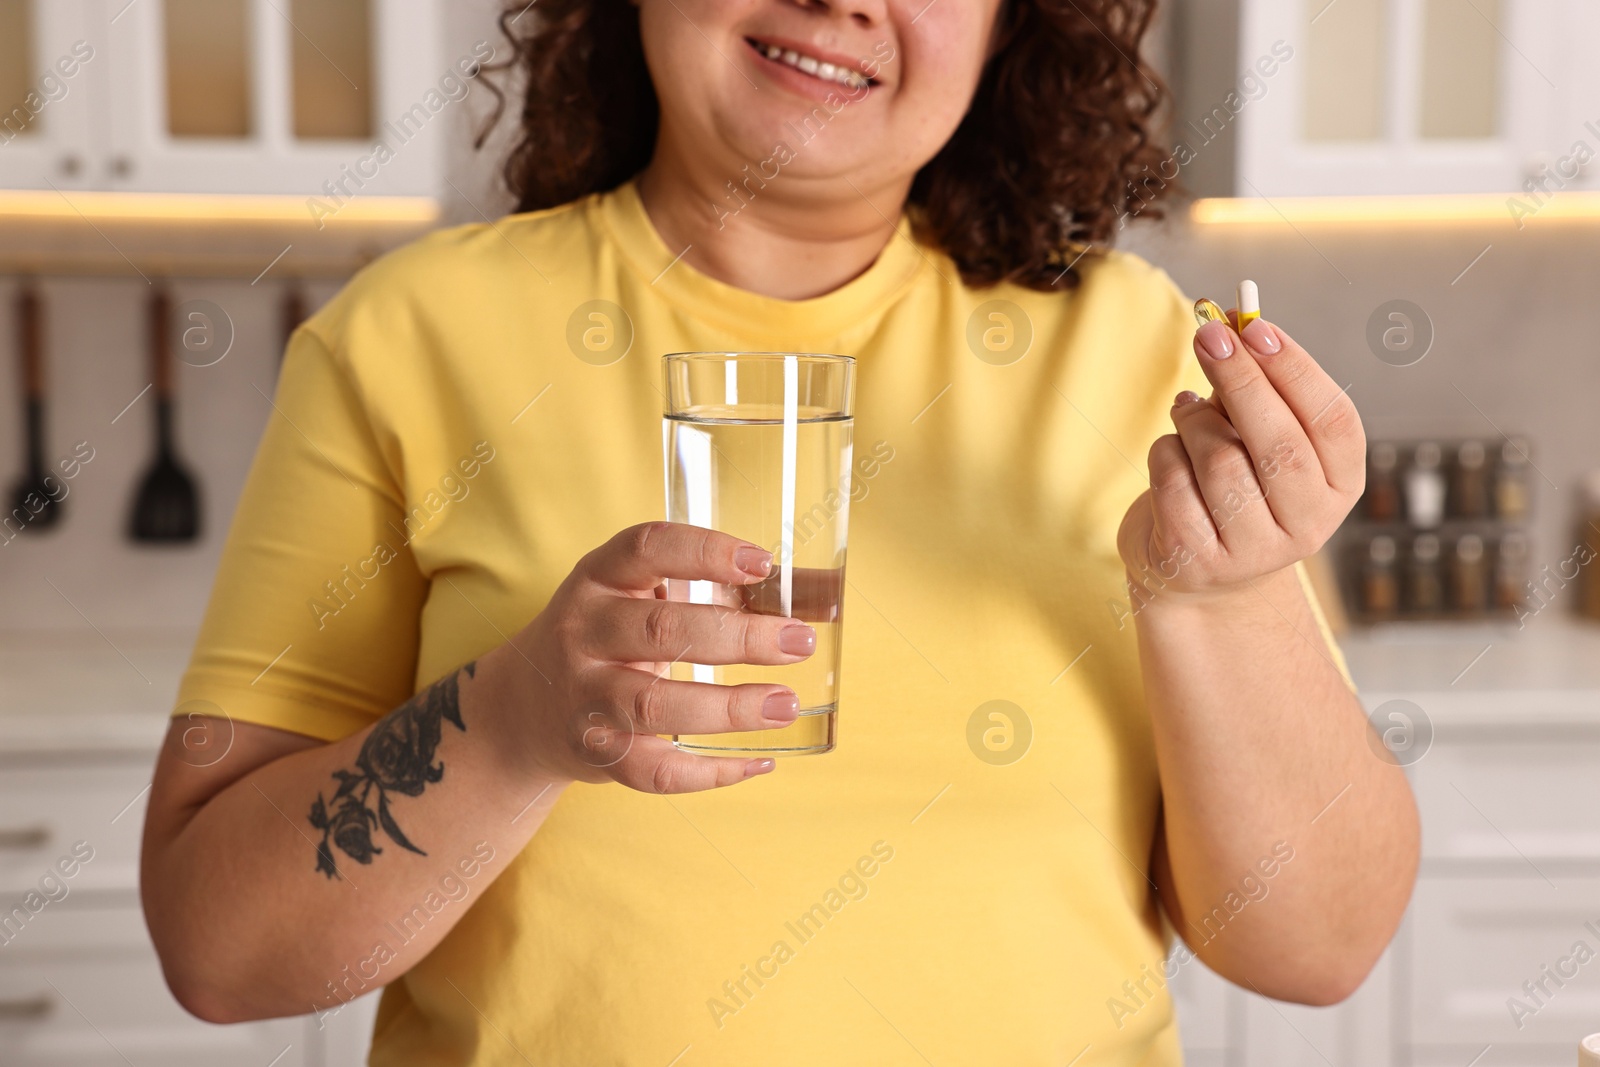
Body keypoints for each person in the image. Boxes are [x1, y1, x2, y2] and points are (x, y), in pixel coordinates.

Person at [140, 0, 1420, 1062]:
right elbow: (219, 952)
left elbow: (1316, 948)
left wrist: (1220, 598)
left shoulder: (1140, 349)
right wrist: (514, 718)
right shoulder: (406, 339)